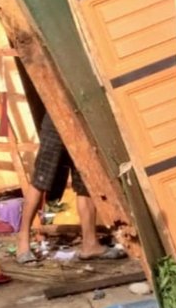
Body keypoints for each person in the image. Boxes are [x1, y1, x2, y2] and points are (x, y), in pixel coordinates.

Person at [14, 113, 124, 264]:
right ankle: (23, 238)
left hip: (83, 118)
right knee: (42, 178)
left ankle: (90, 244)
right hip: (58, 116)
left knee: (86, 181)